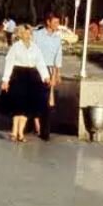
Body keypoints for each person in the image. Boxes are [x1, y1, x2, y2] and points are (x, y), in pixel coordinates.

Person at [0, 24, 51, 142]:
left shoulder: (35, 47)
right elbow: (9, 62)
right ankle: (14, 131)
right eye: (25, 33)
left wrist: (45, 76)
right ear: (21, 34)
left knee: (27, 107)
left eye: (29, 33)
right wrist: (5, 79)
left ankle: (21, 133)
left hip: (31, 78)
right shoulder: (15, 47)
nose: (28, 35)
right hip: (18, 76)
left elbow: (40, 62)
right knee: (18, 105)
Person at [33, 12, 64, 140]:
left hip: (49, 69)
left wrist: (57, 74)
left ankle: (45, 130)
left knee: (49, 101)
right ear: (48, 22)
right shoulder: (37, 35)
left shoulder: (57, 38)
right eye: (55, 22)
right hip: (37, 69)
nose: (57, 25)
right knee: (36, 98)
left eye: (58, 22)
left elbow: (58, 58)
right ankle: (37, 126)